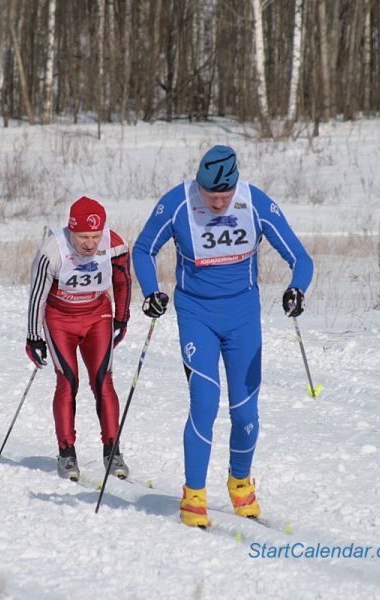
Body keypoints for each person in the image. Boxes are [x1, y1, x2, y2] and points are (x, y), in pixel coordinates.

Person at [132, 145, 313, 527]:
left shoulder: (253, 201)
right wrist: (150, 292)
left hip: (242, 317)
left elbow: (301, 257)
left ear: (234, 186)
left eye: (223, 195)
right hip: (196, 314)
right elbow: (145, 248)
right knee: (204, 400)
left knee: (245, 411)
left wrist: (297, 288)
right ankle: (194, 494)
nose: (216, 202)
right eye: (209, 194)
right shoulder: (179, 203)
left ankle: (240, 482)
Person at [26, 196, 132, 481]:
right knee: (68, 381)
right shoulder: (53, 249)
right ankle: (67, 453)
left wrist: (122, 317)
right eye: (84, 236)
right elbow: (37, 295)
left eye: (95, 236)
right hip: (60, 319)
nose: (90, 243)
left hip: (97, 315)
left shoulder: (115, 244)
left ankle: (113, 451)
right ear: (71, 230)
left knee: (103, 380)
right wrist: (34, 336)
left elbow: (123, 281)